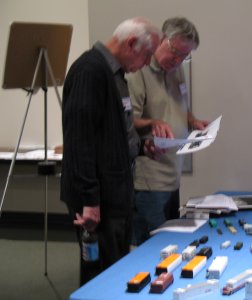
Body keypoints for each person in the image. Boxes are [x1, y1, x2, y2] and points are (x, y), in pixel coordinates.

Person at [61, 17, 162, 285]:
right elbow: (79, 141)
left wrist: (141, 147)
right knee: (101, 276)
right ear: (131, 43)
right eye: (147, 54)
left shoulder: (114, 75)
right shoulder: (90, 71)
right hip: (98, 201)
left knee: (116, 269)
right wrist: (89, 200)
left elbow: (110, 136)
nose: (147, 63)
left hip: (115, 193)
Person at [126, 17, 209, 245]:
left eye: (185, 56)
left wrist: (194, 122)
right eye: (176, 52)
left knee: (171, 245)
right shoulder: (138, 72)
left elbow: (181, 107)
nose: (178, 60)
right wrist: (152, 123)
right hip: (148, 180)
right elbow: (126, 120)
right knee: (152, 248)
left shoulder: (176, 69)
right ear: (162, 40)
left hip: (173, 175)